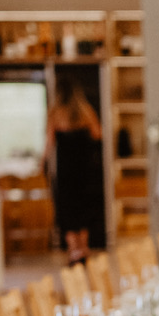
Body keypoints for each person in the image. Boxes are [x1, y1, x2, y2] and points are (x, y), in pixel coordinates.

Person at [46, 86, 107, 259]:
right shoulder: (86, 111)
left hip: (65, 172)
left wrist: (42, 164)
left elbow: (49, 143)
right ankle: (84, 248)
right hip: (84, 170)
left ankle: (73, 250)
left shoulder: (55, 113)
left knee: (67, 210)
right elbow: (98, 134)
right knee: (84, 208)